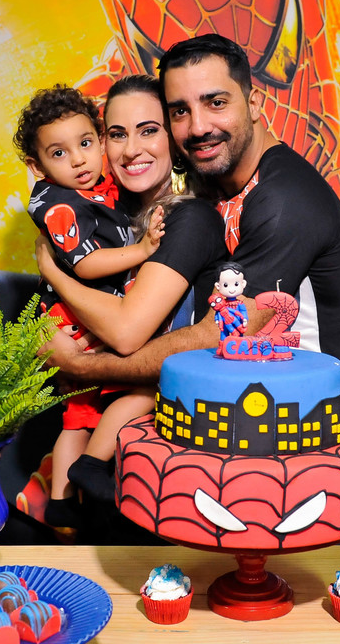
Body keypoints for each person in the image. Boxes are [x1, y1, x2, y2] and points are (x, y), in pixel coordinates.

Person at [45, 34, 340, 416]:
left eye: (216, 103)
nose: (198, 127)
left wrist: (82, 367)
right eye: (180, 111)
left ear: (253, 104)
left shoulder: (285, 201)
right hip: (242, 404)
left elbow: (219, 333)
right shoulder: (209, 179)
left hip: (310, 418)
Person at [26, 74, 229, 510]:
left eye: (149, 130)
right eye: (118, 134)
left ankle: (77, 483)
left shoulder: (188, 219)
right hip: (108, 421)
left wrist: (52, 272)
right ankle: (63, 500)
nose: (131, 149)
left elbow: (124, 333)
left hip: (168, 439)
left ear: (174, 140)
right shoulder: (104, 209)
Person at [15, 84, 166, 527]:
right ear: (37, 166)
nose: (79, 160)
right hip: (76, 322)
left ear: (99, 141)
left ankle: (65, 502)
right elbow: (87, 264)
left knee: (80, 417)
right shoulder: (59, 206)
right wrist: (142, 250)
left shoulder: (99, 186)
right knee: (112, 402)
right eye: (59, 153)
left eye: (85, 143)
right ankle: (75, 486)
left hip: (92, 314)